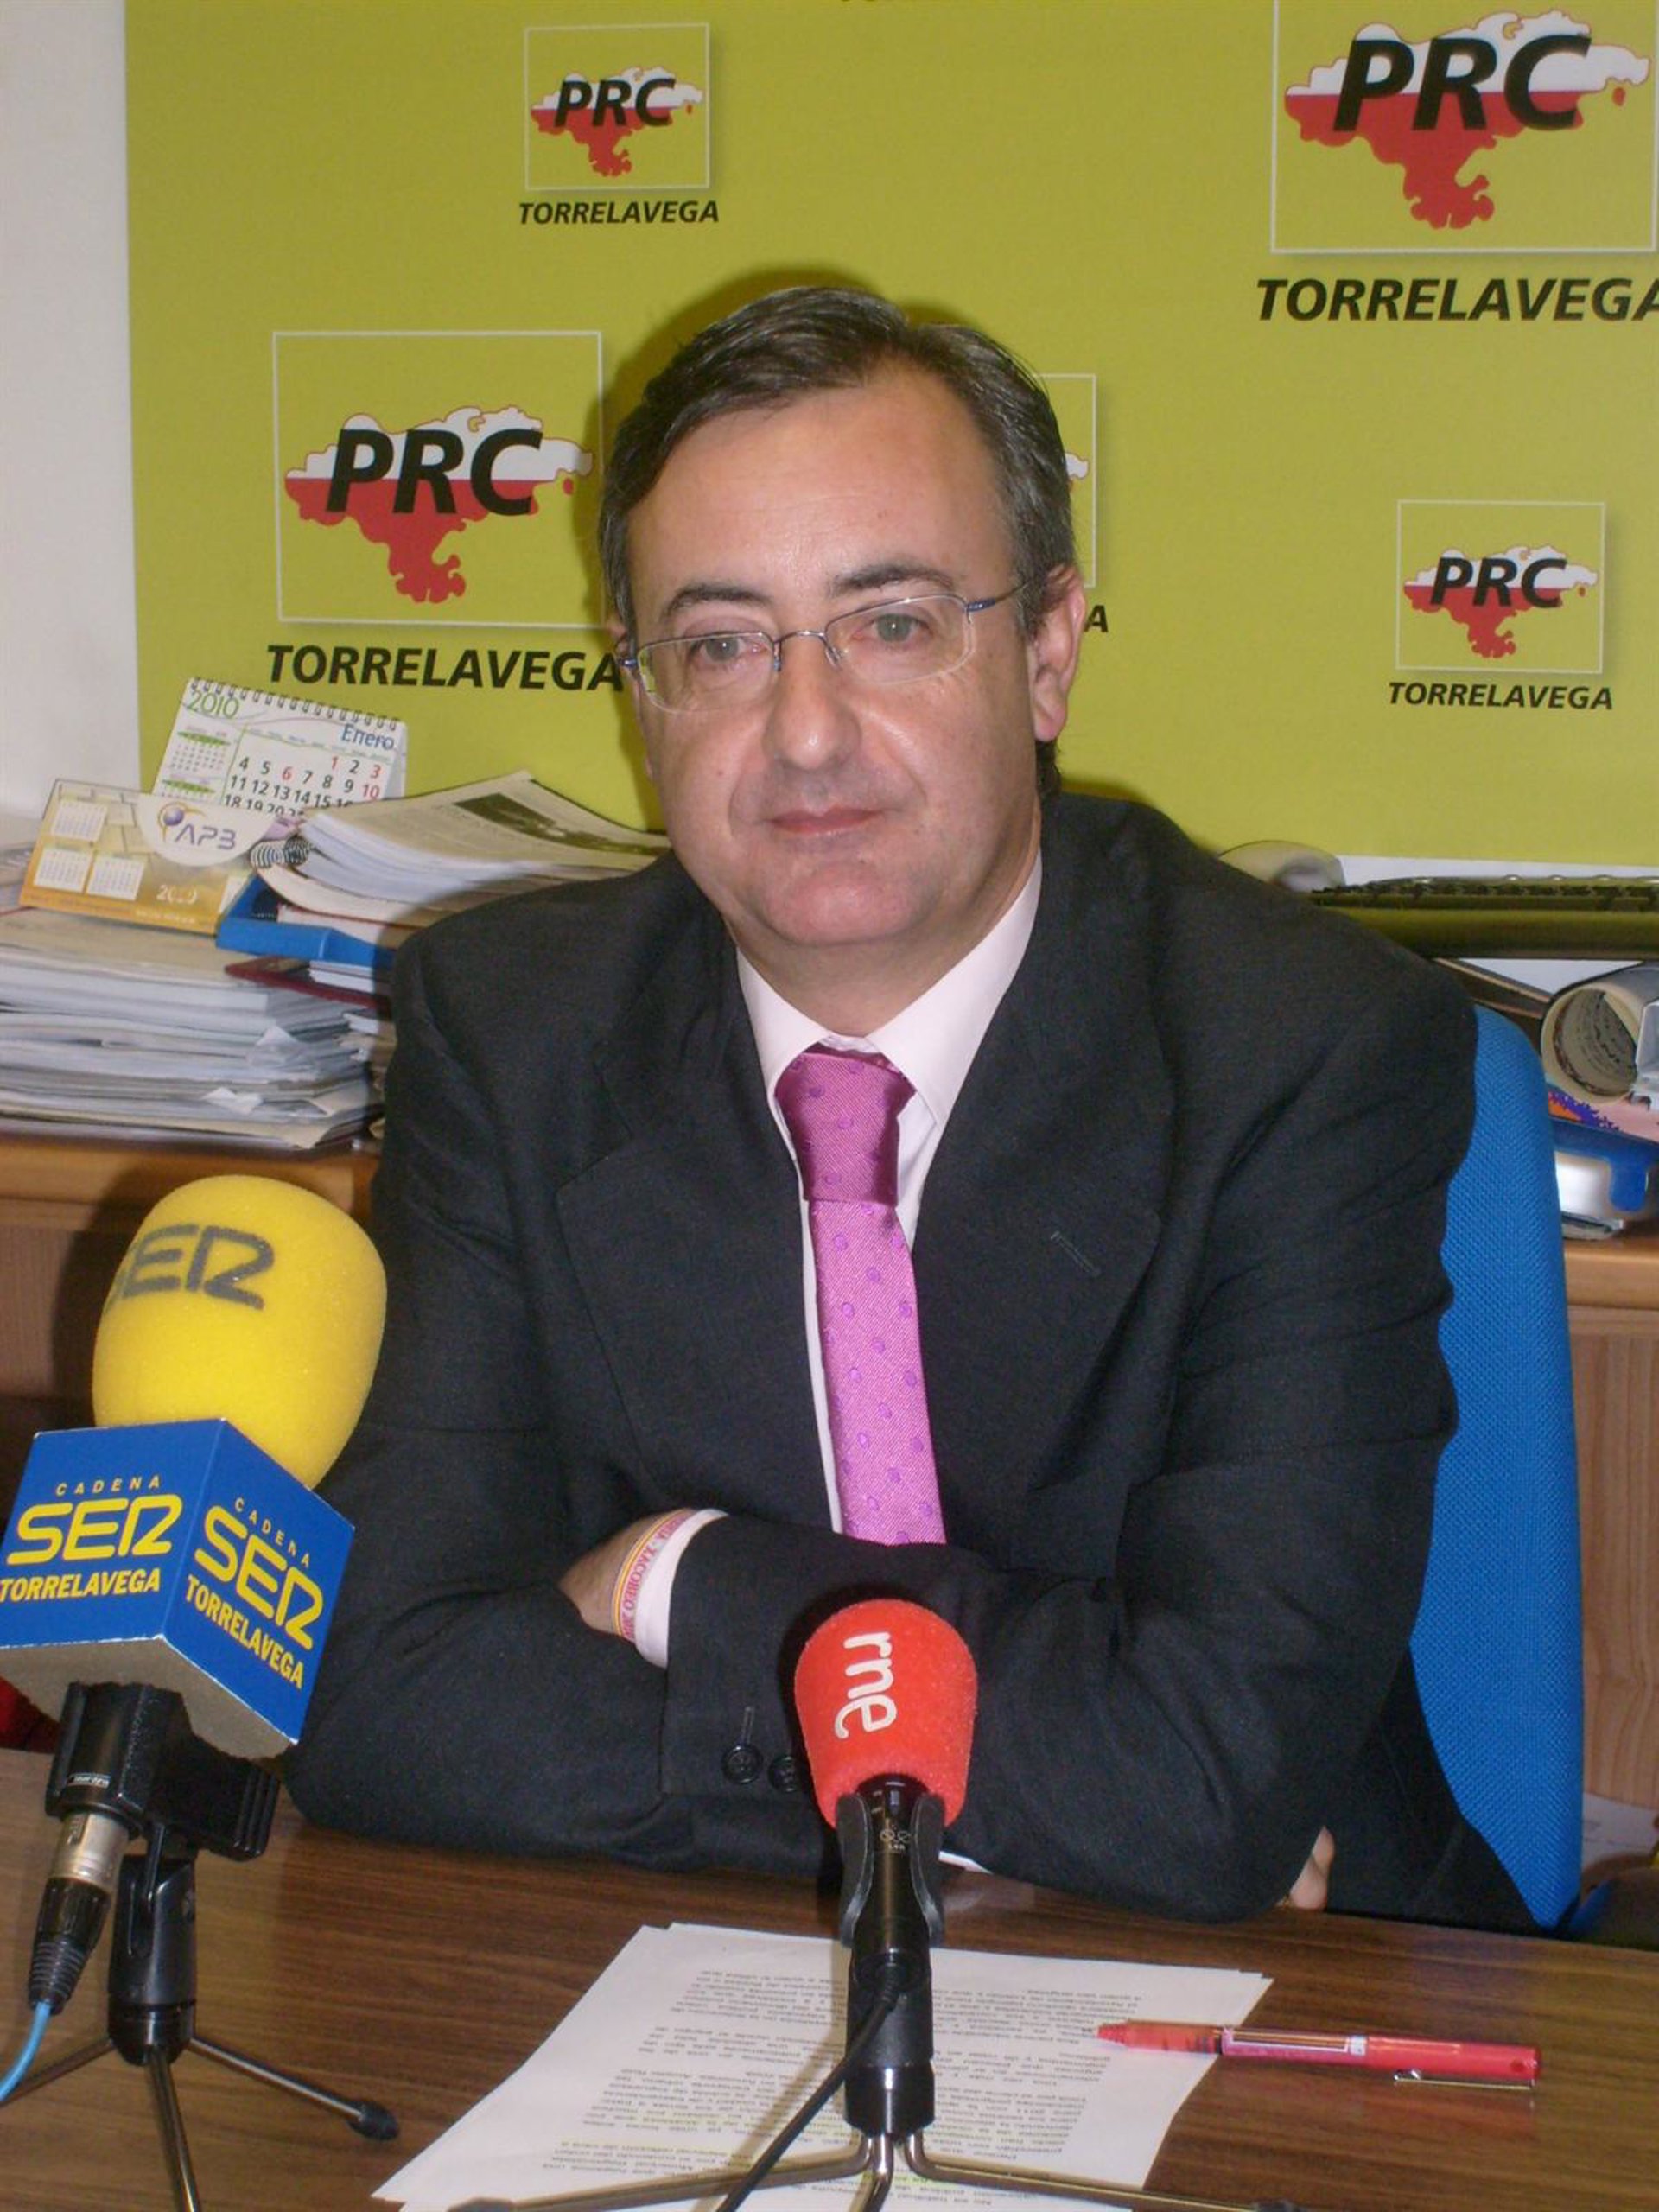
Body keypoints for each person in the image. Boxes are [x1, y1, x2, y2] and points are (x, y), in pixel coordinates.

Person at [286, 286, 1529, 1932]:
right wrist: (1004, 1803)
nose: (805, 735)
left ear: (1048, 653)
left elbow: (1211, 1779)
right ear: (643, 695)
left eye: (890, 625)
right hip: (698, 1961)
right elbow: (379, 1694)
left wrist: (680, 1578)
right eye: (721, 646)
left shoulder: (1299, 1046)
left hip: (1292, 1983)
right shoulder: (516, 1035)